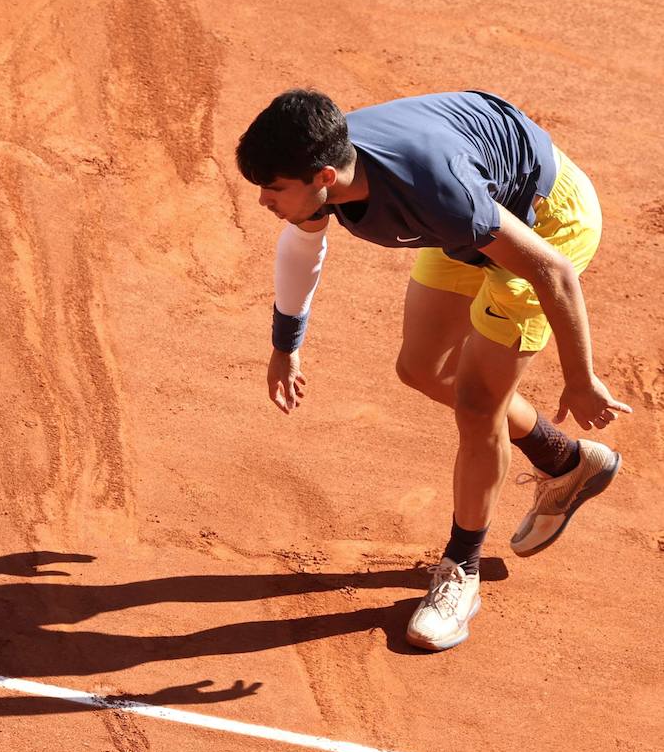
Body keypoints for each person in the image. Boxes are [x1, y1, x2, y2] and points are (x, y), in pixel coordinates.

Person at [235, 89, 631, 651]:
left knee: (477, 406)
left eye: (272, 188)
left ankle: (461, 573)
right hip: (472, 216)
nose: (262, 200)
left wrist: (581, 377)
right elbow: (303, 248)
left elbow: (554, 270)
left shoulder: (433, 189)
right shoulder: (332, 166)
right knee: (421, 366)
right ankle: (564, 460)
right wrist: (285, 345)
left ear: (324, 176)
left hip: (545, 226)